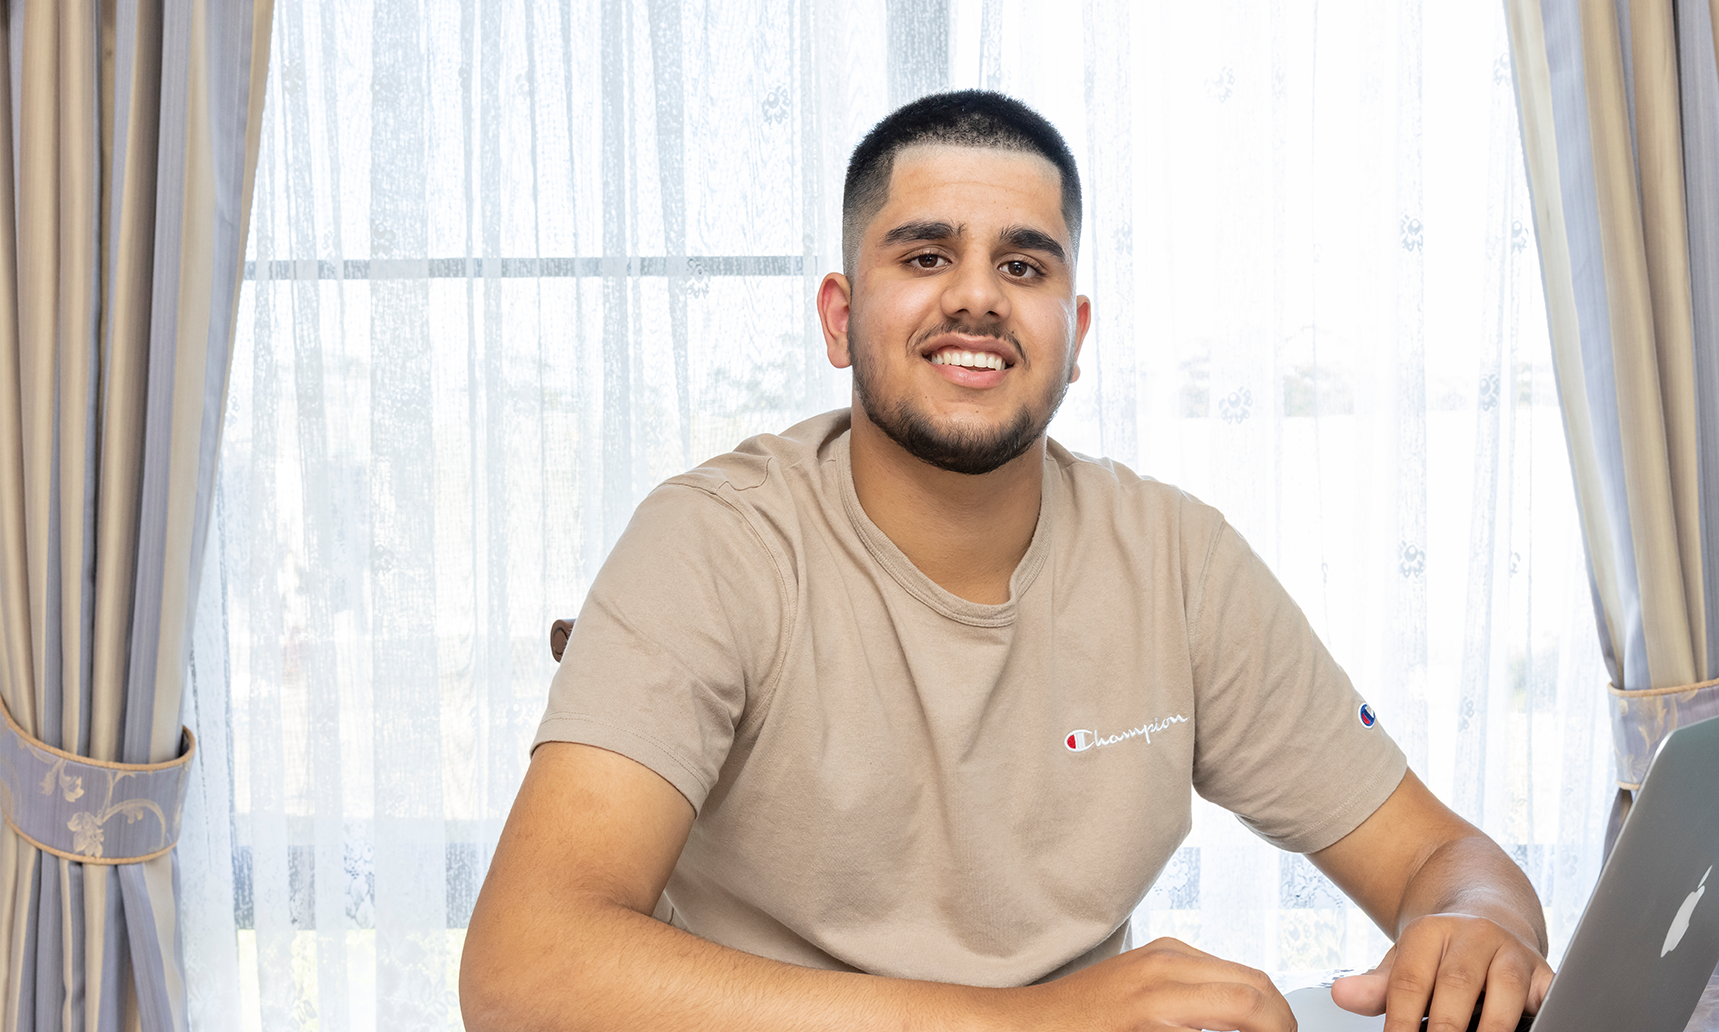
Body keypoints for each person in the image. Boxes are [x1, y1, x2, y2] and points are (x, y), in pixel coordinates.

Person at [460, 90, 1553, 1032]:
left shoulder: (1176, 559)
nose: (975, 294)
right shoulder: (714, 544)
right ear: (840, 319)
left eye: (1020, 264)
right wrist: (1019, 1022)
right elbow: (522, 967)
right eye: (925, 254)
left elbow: (1439, 859)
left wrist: (1472, 928)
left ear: (1073, 332)